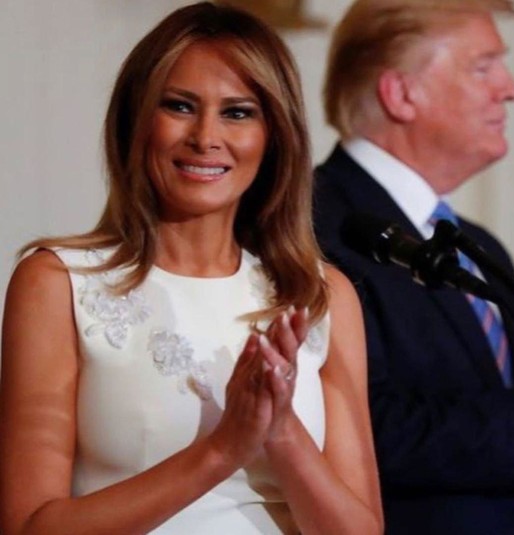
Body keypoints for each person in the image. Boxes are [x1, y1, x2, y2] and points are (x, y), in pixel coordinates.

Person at [0, 3, 383, 534]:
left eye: (237, 113)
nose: (205, 137)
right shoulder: (59, 282)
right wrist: (222, 449)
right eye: (180, 106)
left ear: (275, 136)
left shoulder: (320, 295)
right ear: (136, 121)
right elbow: (29, 526)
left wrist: (280, 430)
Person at [313, 0, 514, 534]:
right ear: (401, 93)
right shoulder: (310, 227)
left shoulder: (478, 244)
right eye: (483, 67)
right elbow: (361, 427)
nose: (509, 89)